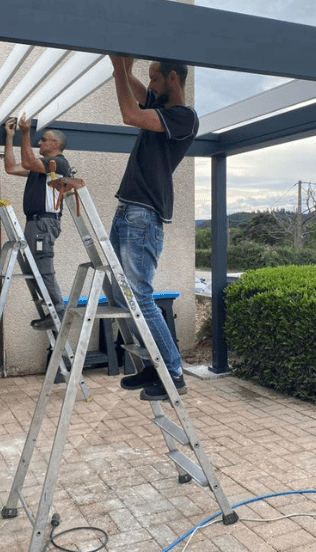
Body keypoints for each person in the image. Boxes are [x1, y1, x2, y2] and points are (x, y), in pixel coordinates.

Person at [109, 55, 199, 401]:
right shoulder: (161, 109)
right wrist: (126, 71)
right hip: (130, 210)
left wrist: (119, 67)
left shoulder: (182, 117)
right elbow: (139, 96)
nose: (151, 86)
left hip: (143, 214)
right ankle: (153, 363)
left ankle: (172, 372)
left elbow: (130, 114)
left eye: (155, 79)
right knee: (122, 296)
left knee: (140, 295)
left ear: (173, 78)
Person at [3, 114, 71, 331]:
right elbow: (11, 168)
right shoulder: (41, 168)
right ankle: (53, 311)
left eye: (44, 139)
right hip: (35, 222)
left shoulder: (58, 163)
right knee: (37, 268)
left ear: (56, 144)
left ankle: (58, 312)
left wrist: (25, 132)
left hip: (44, 223)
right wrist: (9, 137)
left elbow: (29, 162)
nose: (39, 142)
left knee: (44, 267)